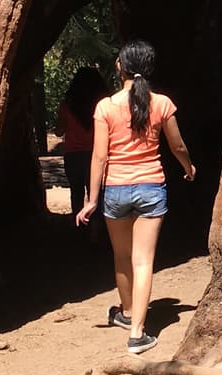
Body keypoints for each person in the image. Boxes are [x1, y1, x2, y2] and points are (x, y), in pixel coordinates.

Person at [75, 40, 195, 355]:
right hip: (151, 188)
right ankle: (138, 333)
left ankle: (128, 315)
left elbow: (99, 157)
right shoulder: (162, 104)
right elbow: (177, 145)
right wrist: (189, 167)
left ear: (121, 67)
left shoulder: (105, 107)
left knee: (121, 256)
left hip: (115, 190)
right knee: (143, 261)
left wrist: (91, 200)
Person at [57, 66, 106, 218]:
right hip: (96, 154)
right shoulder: (103, 106)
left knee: (76, 193)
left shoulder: (67, 105)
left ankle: (78, 227)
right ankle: (96, 231)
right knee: (97, 195)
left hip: (73, 155)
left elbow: (58, 131)